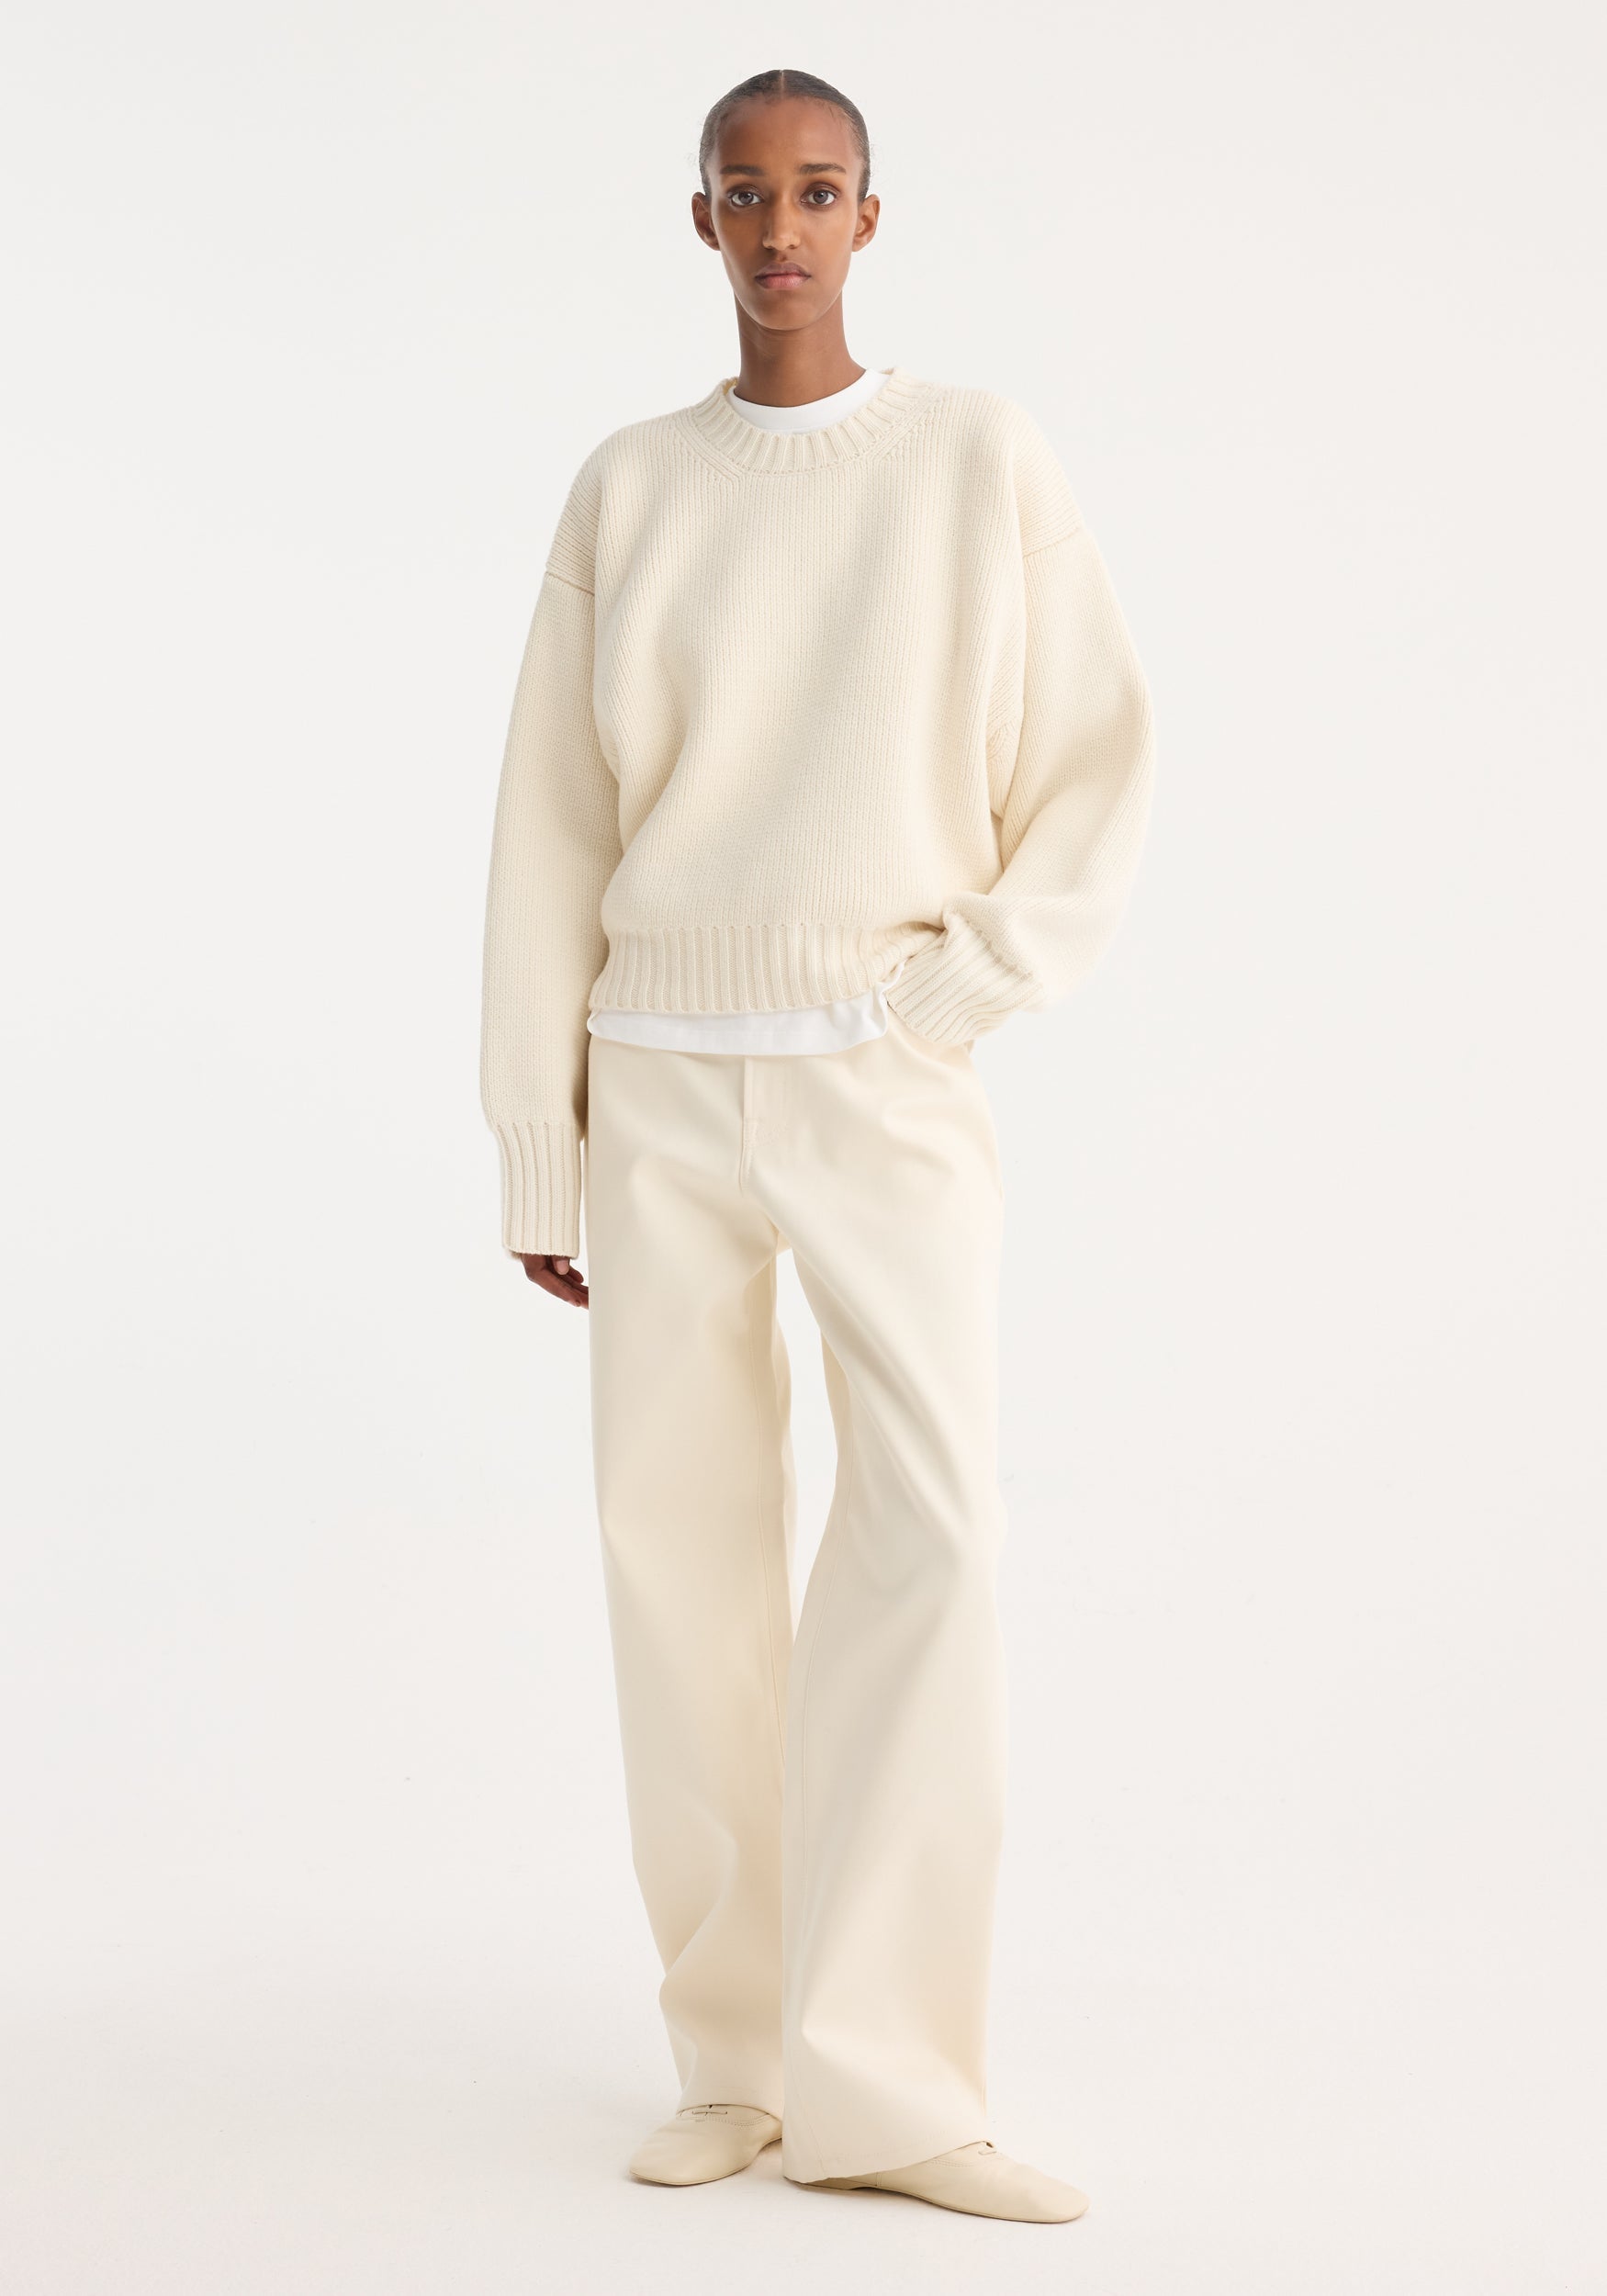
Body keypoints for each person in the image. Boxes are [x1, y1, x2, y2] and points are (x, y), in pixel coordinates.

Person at [478, 66, 1155, 2224]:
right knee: (677, 1568)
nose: (781, 226)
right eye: (745, 192)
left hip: (882, 1072)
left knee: (925, 1537)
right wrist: (540, 1138)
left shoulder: (973, 459)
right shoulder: (630, 486)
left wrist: (970, 979)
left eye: (819, 189)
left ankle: (892, 2087)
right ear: (700, 222)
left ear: (872, 217)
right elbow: (548, 826)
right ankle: (737, 2061)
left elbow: (1095, 755)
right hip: (659, 1081)